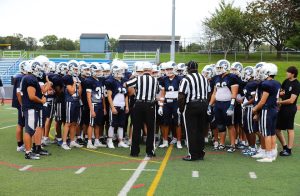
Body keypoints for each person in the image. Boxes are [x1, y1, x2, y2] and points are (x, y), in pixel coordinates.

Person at [126, 62, 158, 157]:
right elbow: (156, 91)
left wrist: (136, 90)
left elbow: (126, 84)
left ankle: (134, 152)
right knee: (150, 129)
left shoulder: (138, 78)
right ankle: (150, 151)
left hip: (139, 104)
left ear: (143, 70)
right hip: (150, 105)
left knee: (136, 128)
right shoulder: (155, 80)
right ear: (151, 70)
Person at [178, 61, 209, 161]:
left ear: (188, 68)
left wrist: (181, 108)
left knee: (191, 130)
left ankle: (192, 154)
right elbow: (208, 93)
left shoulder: (186, 79)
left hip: (192, 105)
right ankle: (201, 153)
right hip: (203, 104)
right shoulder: (204, 78)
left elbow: (181, 96)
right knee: (201, 129)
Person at [253, 63, 281, 163]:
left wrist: (255, 109)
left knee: (266, 133)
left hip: (267, 110)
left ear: (268, 72)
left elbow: (263, 101)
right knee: (272, 132)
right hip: (274, 109)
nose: (261, 73)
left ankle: (268, 155)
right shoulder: (277, 83)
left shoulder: (266, 84)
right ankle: (271, 153)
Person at [20, 61, 46, 160]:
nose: (40, 71)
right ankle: (28, 152)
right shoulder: (30, 79)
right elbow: (31, 96)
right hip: (30, 107)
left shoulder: (28, 78)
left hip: (29, 107)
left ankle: (29, 151)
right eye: (39, 69)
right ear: (34, 69)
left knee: (30, 130)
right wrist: (42, 101)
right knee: (29, 131)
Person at [276, 66, 299, 156]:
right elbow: (281, 92)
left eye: (288, 72)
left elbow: (291, 100)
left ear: (293, 74)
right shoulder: (286, 81)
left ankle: (289, 149)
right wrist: (280, 94)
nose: (286, 73)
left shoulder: (297, 84)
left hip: (290, 109)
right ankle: (285, 146)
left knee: (290, 129)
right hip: (282, 108)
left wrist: (279, 102)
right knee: (277, 129)